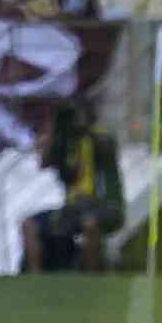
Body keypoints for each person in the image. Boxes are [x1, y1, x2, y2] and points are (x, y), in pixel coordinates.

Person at [21, 101, 124, 273]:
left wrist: (85, 130)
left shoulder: (100, 139)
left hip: (106, 205)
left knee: (89, 224)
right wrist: (56, 131)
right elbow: (43, 162)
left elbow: (106, 145)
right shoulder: (65, 145)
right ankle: (35, 278)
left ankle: (91, 277)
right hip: (73, 208)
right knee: (29, 224)